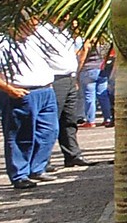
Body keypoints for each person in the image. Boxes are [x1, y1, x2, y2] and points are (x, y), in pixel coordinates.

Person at [0, 16, 60, 188]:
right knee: (21, 135)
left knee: (49, 131)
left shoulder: (34, 40)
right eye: (30, 26)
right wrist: (10, 89)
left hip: (45, 90)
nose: (34, 29)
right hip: (21, 92)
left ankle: (37, 167)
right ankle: (19, 174)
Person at [34, 20, 88, 168]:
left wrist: (75, 77)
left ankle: (72, 154)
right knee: (51, 122)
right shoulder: (43, 31)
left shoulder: (65, 31)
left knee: (69, 119)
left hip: (69, 77)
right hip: (55, 78)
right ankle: (43, 160)